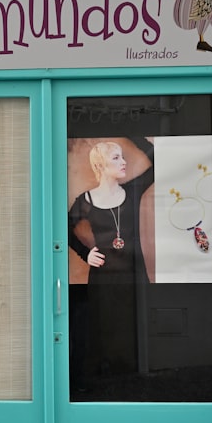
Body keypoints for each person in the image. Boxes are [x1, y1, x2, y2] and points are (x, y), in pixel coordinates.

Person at [67, 137, 154, 393]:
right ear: (101, 165)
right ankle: (91, 384)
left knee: (133, 329)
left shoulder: (134, 189)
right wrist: (86, 253)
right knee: (99, 329)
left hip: (133, 275)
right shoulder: (85, 200)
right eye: (116, 158)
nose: (124, 162)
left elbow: (156, 161)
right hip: (102, 278)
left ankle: (133, 382)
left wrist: (136, 133)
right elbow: (62, 228)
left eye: (122, 156)